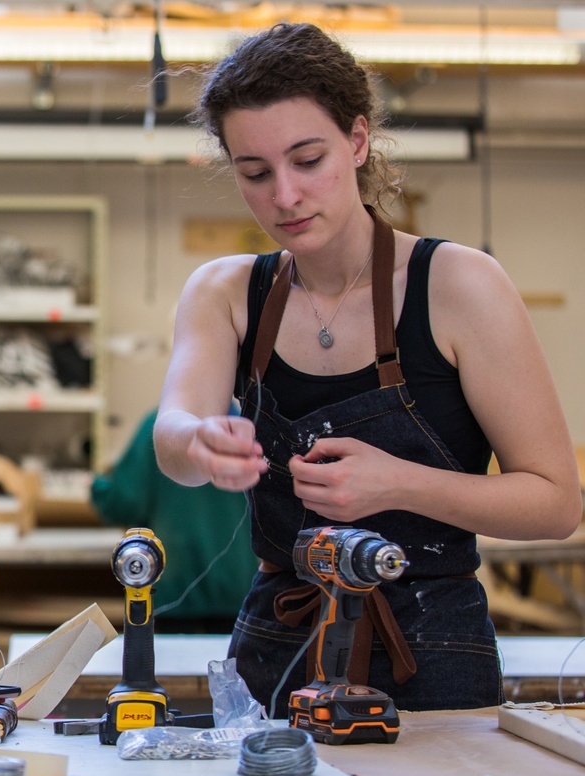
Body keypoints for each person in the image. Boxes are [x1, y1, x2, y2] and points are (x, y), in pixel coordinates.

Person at [154, 22, 580, 716]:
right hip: (278, 640)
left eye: (307, 159)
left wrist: (400, 483)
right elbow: (175, 434)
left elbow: (557, 502)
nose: (284, 196)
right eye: (255, 173)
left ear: (356, 141)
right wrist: (197, 440)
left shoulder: (459, 285)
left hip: (431, 646)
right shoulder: (225, 293)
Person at [91, 407, 258, 632]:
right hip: (238, 594)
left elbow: (123, 504)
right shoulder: (248, 427)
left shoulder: (159, 428)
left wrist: (96, 486)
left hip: (175, 591)